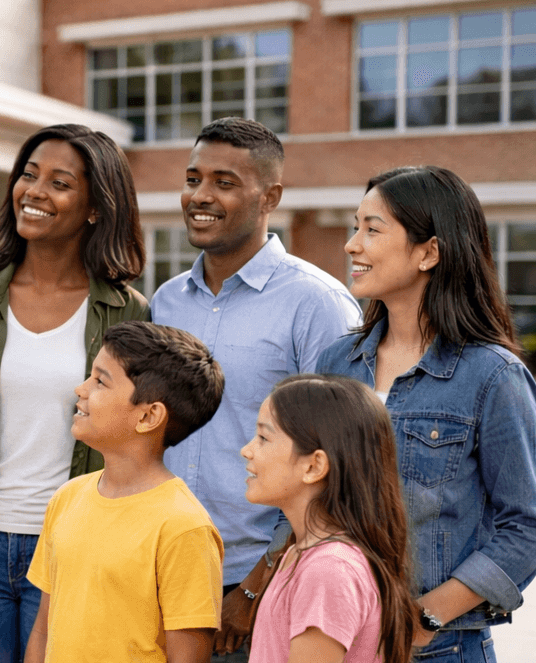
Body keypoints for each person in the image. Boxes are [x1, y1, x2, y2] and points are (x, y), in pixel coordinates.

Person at [0, 124, 148, 661]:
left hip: (74, 553)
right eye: (29, 175)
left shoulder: (127, 312)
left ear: (94, 208)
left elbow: (136, 447)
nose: (34, 191)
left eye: (60, 183)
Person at [149, 117, 361, 659]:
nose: (200, 196)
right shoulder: (167, 302)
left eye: (224, 182)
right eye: (194, 178)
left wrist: (256, 582)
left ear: (271, 196)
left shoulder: (318, 304)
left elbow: (342, 460)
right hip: (160, 572)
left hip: (255, 588)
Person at [316, 166, 536, 661]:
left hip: (438, 650)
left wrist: (425, 618)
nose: (352, 244)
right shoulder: (335, 362)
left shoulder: (492, 376)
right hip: (332, 641)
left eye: (372, 229)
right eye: (356, 226)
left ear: (429, 252)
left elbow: (526, 525)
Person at [25, 320, 225, 663]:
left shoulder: (184, 528)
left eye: (100, 380)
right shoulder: (66, 499)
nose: (81, 389)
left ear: (148, 416)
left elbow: (187, 656)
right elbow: (44, 629)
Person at [241, 375, 417, 663]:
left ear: (314, 465)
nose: (247, 450)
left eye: (263, 438)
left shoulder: (327, 570)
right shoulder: (302, 553)